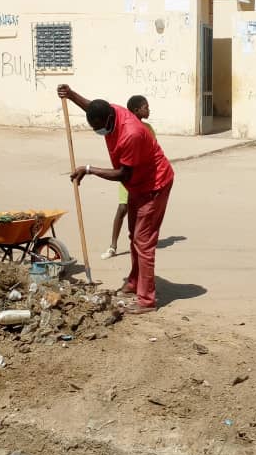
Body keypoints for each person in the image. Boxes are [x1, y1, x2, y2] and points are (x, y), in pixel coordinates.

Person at [58, 84, 174, 314]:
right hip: (137, 184)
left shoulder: (131, 134)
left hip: (154, 184)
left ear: (109, 120)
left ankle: (147, 300)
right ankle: (134, 281)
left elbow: (123, 174)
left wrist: (89, 169)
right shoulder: (106, 112)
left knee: (144, 241)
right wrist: (70, 94)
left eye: (100, 128)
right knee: (134, 235)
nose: (99, 132)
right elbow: (90, 106)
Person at [101, 95, 155, 259]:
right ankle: (113, 246)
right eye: (146, 107)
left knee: (144, 211)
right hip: (128, 175)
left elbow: (153, 151)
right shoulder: (125, 129)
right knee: (122, 208)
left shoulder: (148, 128)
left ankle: (141, 242)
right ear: (136, 110)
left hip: (144, 177)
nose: (149, 109)